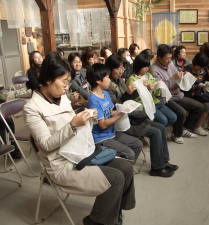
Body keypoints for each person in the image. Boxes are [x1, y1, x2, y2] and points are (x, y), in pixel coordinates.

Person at [24, 52, 135, 225]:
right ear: (47, 80)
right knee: (116, 178)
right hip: (60, 164)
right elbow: (46, 145)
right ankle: (96, 220)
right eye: (64, 81)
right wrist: (73, 125)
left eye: (68, 82)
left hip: (79, 151)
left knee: (126, 167)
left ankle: (113, 213)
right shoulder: (32, 108)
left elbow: (72, 125)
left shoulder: (62, 98)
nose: (67, 87)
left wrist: (87, 117)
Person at [106, 54, 178, 177]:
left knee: (160, 127)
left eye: (123, 68)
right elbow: (116, 107)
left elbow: (126, 100)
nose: (122, 71)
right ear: (111, 69)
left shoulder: (120, 81)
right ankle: (157, 167)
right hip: (124, 123)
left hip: (130, 118)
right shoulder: (108, 86)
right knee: (155, 132)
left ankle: (164, 161)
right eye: (119, 68)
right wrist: (130, 96)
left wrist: (131, 93)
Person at [151, 44, 208, 144]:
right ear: (159, 57)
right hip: (167, 98)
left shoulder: (171, 64)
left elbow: (177, 75)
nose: (169, 61)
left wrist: (182, 74)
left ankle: (185, 129)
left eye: (170, 58)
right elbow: (161, 88)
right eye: (167, 58)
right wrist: (174, 78)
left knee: (200, 107)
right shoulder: (154, 69)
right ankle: (176, 134)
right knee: (181, 112)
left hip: (178, 94)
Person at [87, 63, 142, 162]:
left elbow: (110, 112)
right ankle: (124, 170)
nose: (109, 80)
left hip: (112, 132)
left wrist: (123, 109)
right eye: (107, 77)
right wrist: (120, 115)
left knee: (138, 144)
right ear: (98, 81)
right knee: (130, 153)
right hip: (102, 138)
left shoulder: (105, 93)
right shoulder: (93, 100)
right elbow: (102, 124)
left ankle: (127, 170)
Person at [126, 53, 177, 127]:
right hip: (145, 105)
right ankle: (157, 130)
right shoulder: (132, 79)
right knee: (163, 120)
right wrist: (145, 88)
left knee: (173, 117)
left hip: (156, 101)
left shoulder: (149, 75)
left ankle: (161, 130)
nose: (147, 68)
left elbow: (157, 93)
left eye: (148, 66)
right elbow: (133, 98)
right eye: (144, 67)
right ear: (138, 66)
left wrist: (157, 88)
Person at [185, 53, 209, 133]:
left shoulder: (203, 70)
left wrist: (207, 85)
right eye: (200, 66)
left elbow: (204, 81)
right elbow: (185, 88)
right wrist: (197, 86)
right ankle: (197, 127)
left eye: (203, 67)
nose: (201, 69)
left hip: (202, 93)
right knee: (207, 106)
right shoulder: (187, 70)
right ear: (195, 63)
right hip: (191, 94)